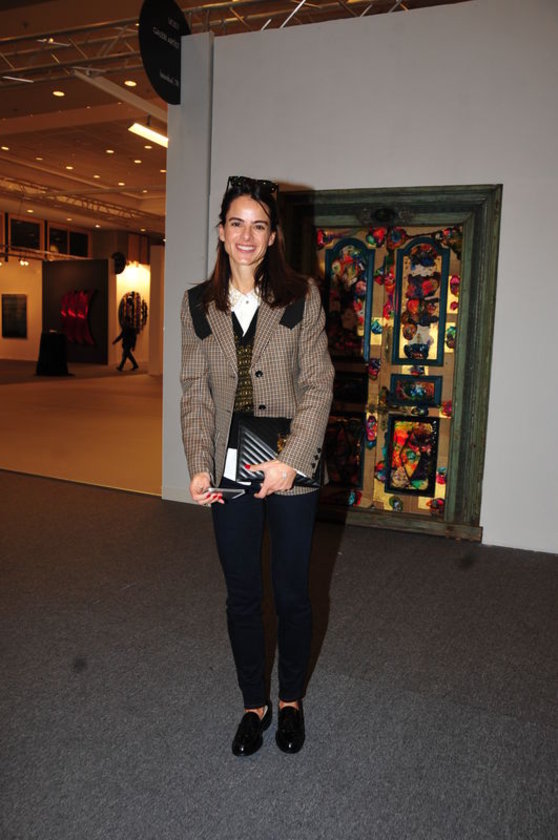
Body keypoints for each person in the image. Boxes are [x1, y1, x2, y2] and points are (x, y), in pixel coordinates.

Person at [180, 175, 334, 756]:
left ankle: (290, 699)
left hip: (290, 466)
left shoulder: (302, 296)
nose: (247, 236)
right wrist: (198, 465)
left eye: (259, 226)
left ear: (272, 238)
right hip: (228, 469)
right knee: (242, 595)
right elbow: (196, 392)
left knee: (292, 593)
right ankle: (254, 704)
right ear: (222, 233)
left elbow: (319, 385)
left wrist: (290, 462)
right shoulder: (197, 304)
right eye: (236, 224)